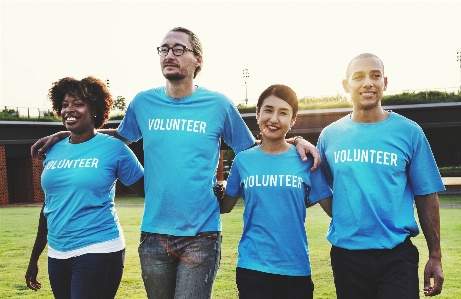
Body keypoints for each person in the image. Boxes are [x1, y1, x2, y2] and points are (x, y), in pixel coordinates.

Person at [30, 27, 321, 299]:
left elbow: (255, 150)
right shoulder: (143, 102)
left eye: (179, 49)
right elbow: (119, 136)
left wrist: (295, 141)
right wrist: (63, 133)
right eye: (164, 49)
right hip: (154, 235)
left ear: (198, 60)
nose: (169, 55)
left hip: (201, 235)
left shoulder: (218, 105)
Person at [317, 53, 445, 298]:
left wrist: (435, 256)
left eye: (375, 76)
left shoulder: (409, 132)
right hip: (347, 257)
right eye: (358, 77)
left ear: (385, 83)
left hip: (396, 256)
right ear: (346, 85)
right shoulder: (330, 136)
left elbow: (427, 195)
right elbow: (321, 186)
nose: (368, 83)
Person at [25, 76, 145, 299]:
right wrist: (34, 258)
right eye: (64, 104)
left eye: (78, 103)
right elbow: (48, 207)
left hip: (99, 249)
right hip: (58, 253)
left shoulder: (114, 149)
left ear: (96, 109)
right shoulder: (53, 149)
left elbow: (148, 190)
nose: (69, 109)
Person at [219, 84, 332, 299]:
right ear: (258, 113)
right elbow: (225, 206)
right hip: (252, 267)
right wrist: (214, 188)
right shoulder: (243, 160)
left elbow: (334, 210)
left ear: (293, 120)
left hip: (295, 268)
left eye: (283, 113)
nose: (274, 119)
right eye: (268, 110)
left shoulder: (306, 161)